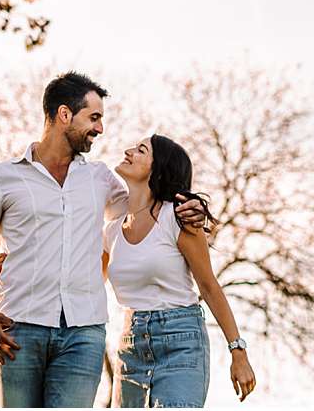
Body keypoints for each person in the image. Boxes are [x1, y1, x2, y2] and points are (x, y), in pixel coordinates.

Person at [0, 72, 209, 407]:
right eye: (94, 117)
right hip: (18, 329)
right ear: (64, 115)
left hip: (83, 334)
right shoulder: (2, 178)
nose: (100, 129)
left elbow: (148, 210)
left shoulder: (100, 178)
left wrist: (193, 210)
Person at [103, 134, 256, 406]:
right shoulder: (113, 230)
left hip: (181, 341)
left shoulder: (178, 217)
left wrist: (238, 352)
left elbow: (208, 286)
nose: (128, 151)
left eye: (140, 150)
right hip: (130, 345)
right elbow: (85, 279)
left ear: (158, 169)